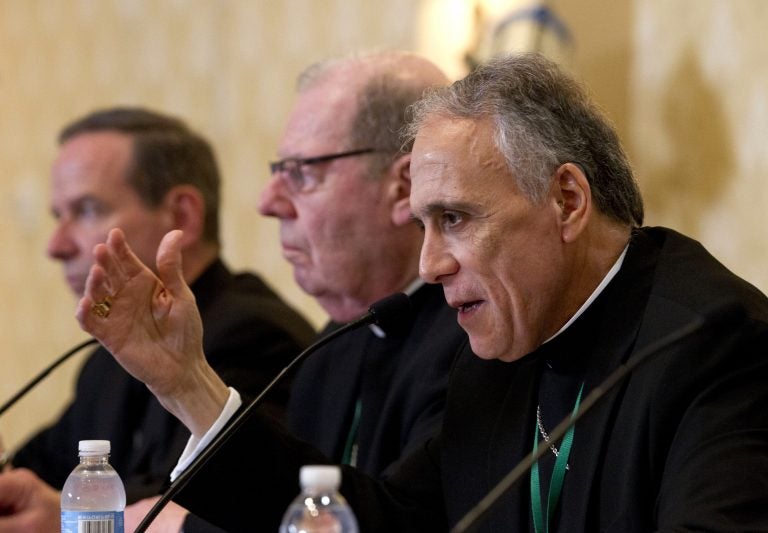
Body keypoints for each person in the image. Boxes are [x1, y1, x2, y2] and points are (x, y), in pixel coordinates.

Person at [12, 52, 768, 531]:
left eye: (456, 220)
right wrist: (186, 383)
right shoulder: (506, 339)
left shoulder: (711, 339)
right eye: (424, 223)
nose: (432, 263)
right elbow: (384, 521)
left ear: (567, 202)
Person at [124, 50, 465, 531]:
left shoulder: (475, 337)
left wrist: (189, 386)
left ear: (404, 187)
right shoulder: (331, 348)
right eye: (278, 171)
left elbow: (402, 523)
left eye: (302, 173)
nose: (269, 203)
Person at [2, 108, 315, 531]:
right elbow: (38, 470)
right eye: (58, 216)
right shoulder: (103, 360)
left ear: (182, 216)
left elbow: (203, 509)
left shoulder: (254, 334)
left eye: (87, 209)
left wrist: (65, 518)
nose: (56, 245)